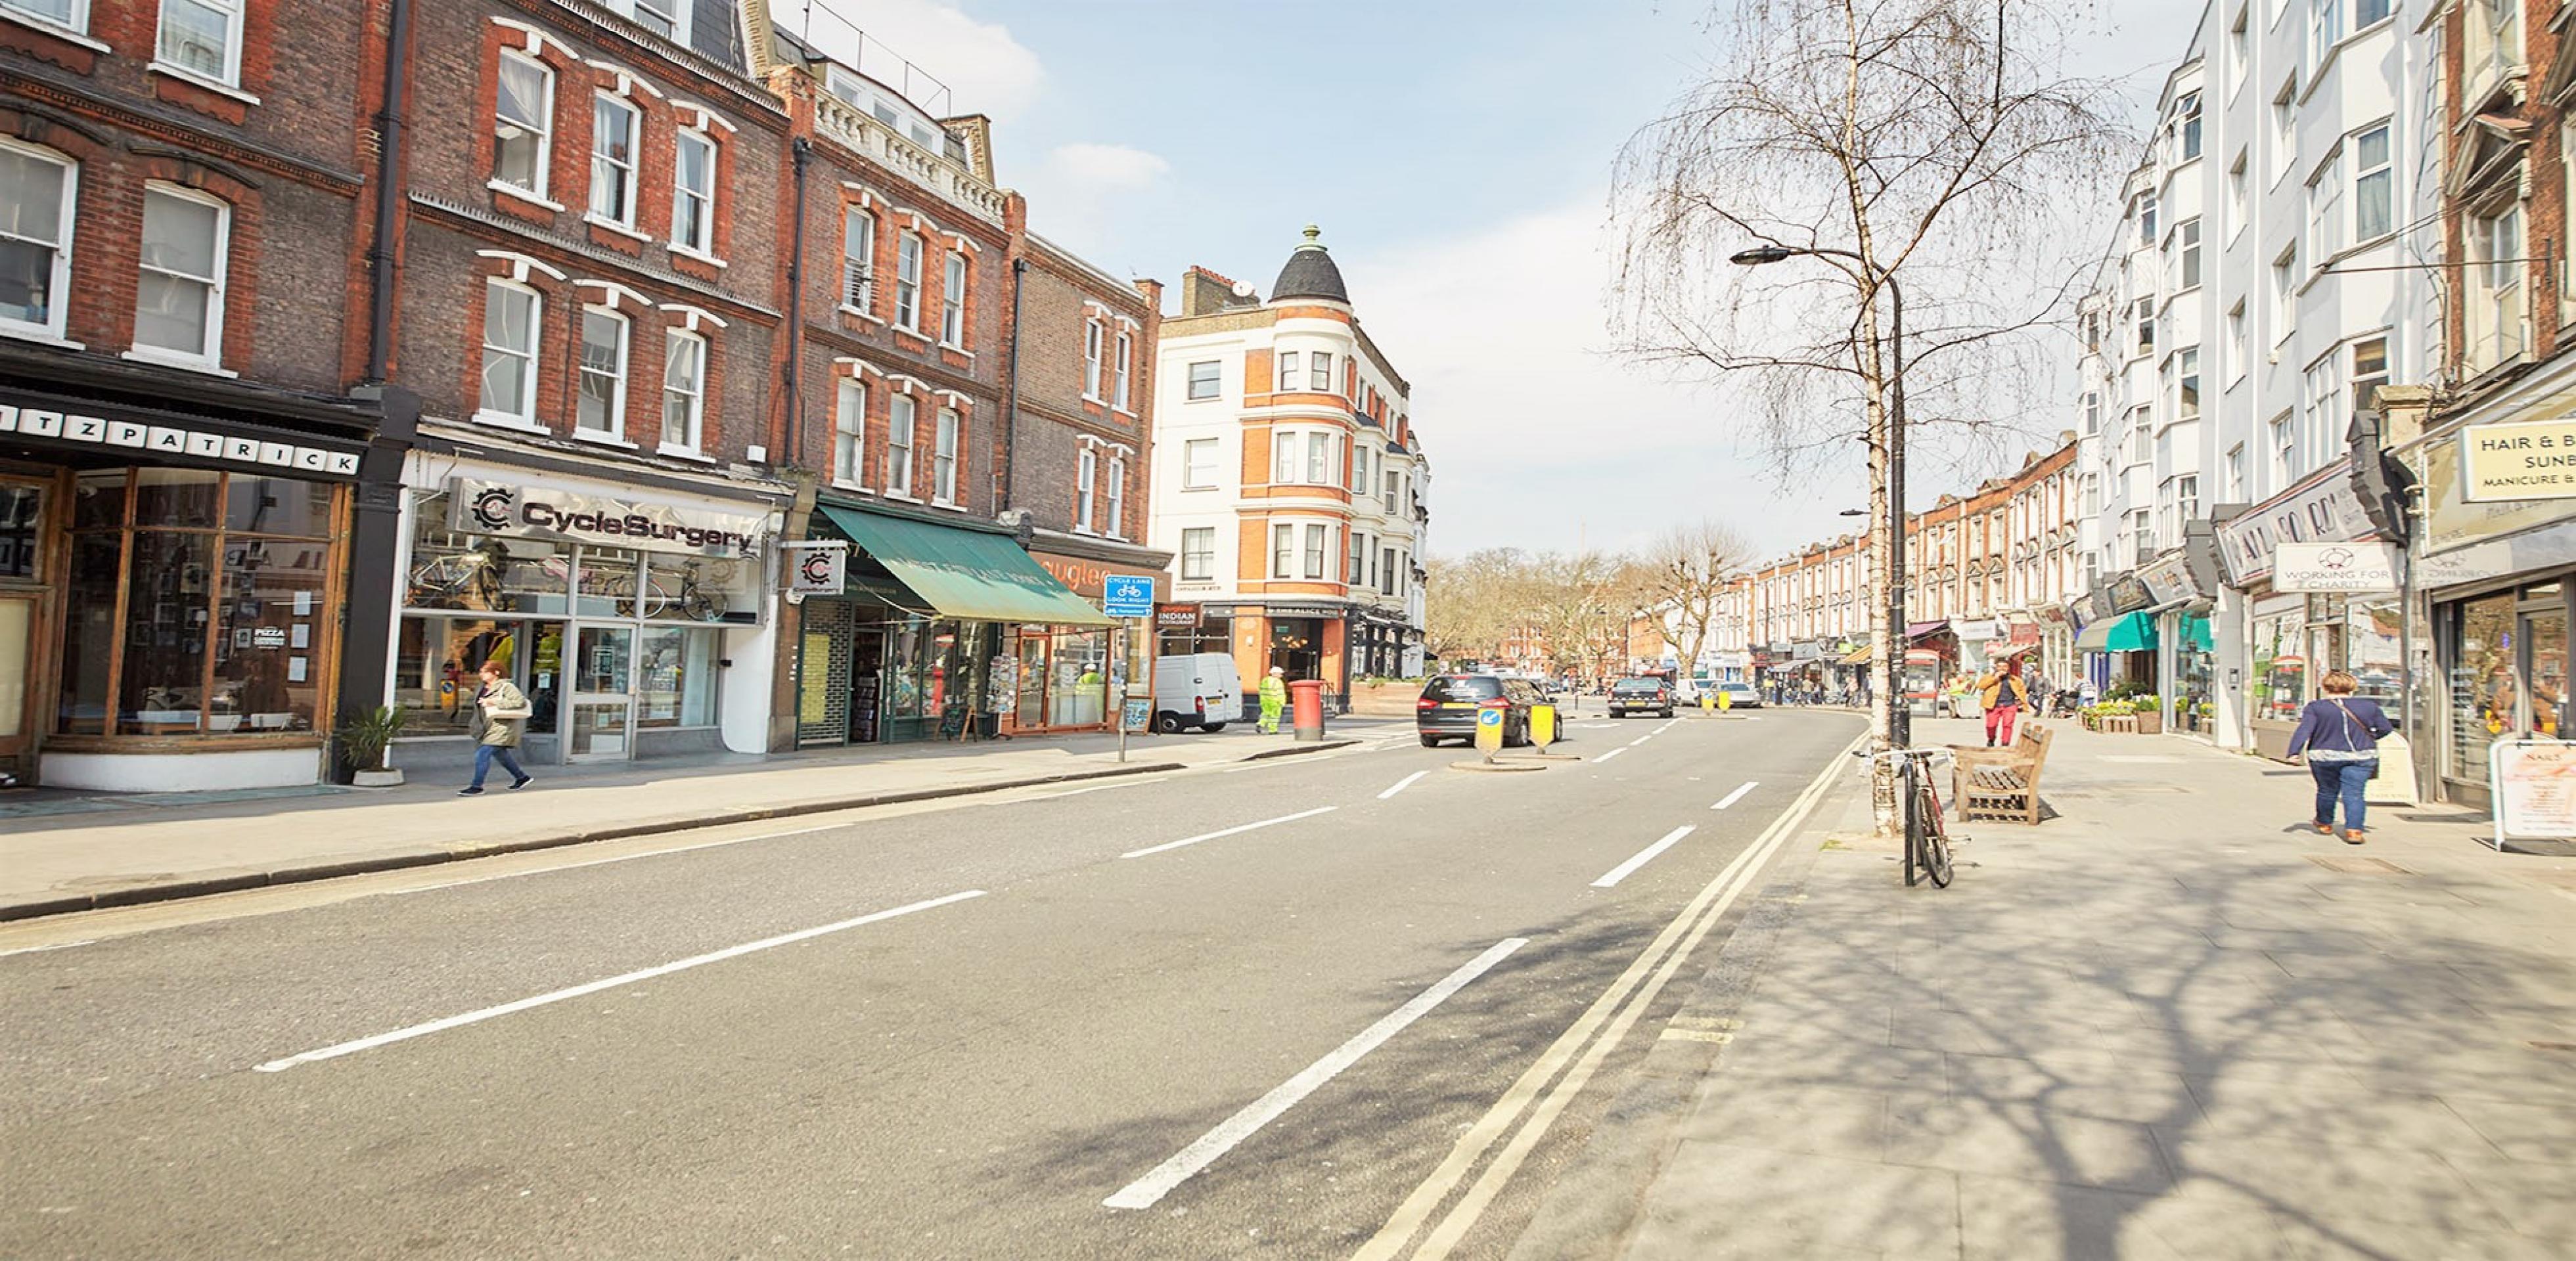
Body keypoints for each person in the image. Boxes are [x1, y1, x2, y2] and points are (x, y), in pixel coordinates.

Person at [2285, 669, 2394, 844]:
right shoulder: (2369, 706)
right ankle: (2354, 831)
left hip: (2324, 756)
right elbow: (2386, 728)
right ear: (2352, 687)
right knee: (2355, 794)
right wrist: (2370, 738)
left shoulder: (2316, 708)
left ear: (2326, 687)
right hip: (2361, 755)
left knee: (2327, 791)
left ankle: (2325, 823)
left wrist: (2294, 752)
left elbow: (2305, 730)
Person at [459, 660, 534, 795]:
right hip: (484, 727)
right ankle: (522, 777)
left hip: (501, 726)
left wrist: (494, 702)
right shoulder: (481, 687)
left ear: (496, 673)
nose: (482, 674)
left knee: (482, 755)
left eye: (485, 672)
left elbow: (520, 702)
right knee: (501, 755)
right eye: (481, 672)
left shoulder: (506, 687)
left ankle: (477, 786)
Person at [1975, 657, 2031, 747]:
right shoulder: (1988, 677)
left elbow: (2022, 691)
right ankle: (1991, 739)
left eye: (2005, 666)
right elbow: (1980, 686)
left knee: (2008, 725)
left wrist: (2022, 703)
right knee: (1991, 725)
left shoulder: (2015, 680)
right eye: (2000, 666)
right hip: (1993, 705)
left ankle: (2005, 744)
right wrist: (1995, 679)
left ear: (2008, 668)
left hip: (2009, 705)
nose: (2002, 669)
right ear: (1996, 667)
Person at [1257, 665, 1288, 734]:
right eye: (1280, 674)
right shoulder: (1278, 682)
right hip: (1275, 701)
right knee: (1275, 716)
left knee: (1266, 713)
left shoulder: (1265, 680)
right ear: (1275, 673)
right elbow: (1280, 693)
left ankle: (1260, 724)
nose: (1281, 675)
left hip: (1265, 701)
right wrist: (1282, 702)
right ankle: (1273, 730)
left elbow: (1261, 690)